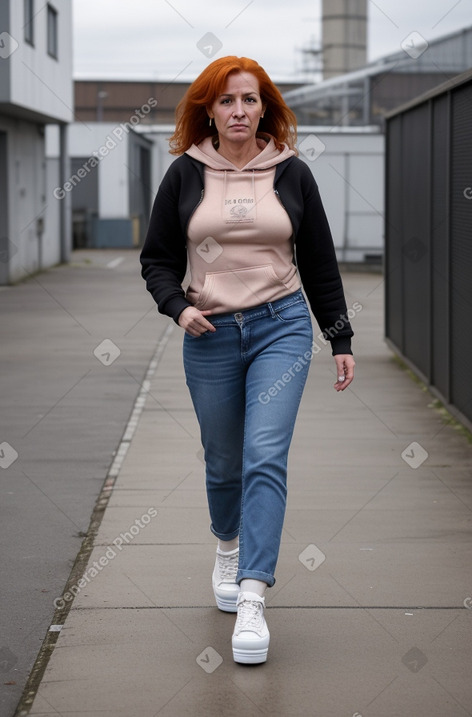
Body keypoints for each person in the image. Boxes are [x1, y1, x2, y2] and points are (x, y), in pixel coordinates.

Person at [140, 56, 355, 665]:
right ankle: (228, 547)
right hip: (207, 332)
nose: (239, 111)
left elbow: (319, 262)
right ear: (208, 109)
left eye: (250, 101)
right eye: (227, 101)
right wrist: (177, 308)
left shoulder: (291, 173)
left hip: (280, 328)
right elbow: (156, 259)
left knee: (265, 452)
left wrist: (339, 339)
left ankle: (255, 594)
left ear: (266, 108)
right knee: (223, 459)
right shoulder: (185, 174)